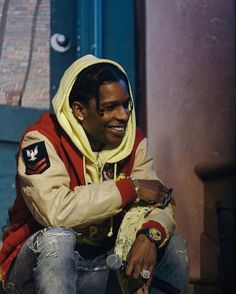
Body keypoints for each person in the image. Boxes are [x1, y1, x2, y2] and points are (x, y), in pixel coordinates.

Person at [0, 54, 188, 293]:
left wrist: (150, 235)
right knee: (57, 239)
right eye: (109, 108)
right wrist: (131, 188)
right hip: (36, 273)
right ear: (79, 110)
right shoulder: (41, 140)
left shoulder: (133, 141)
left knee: (171, 246)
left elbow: (158, 199)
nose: (123, 116)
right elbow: (56, 211)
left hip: (103, 264)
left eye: (126, 104)